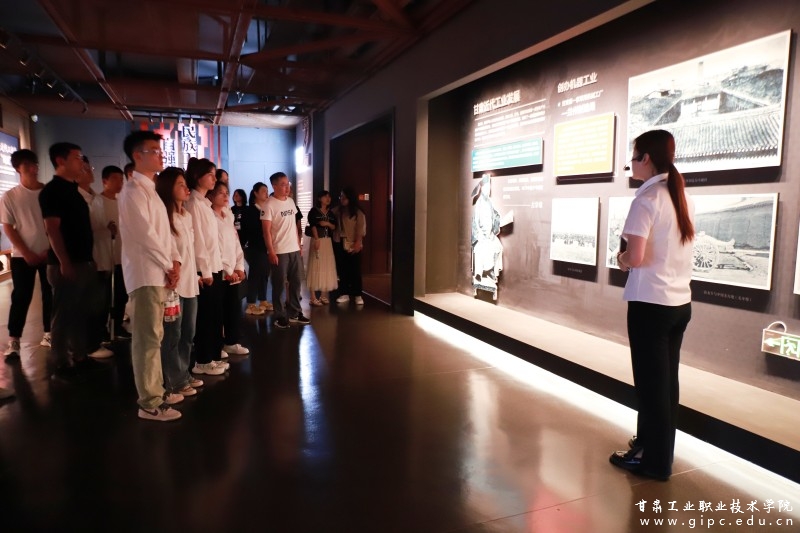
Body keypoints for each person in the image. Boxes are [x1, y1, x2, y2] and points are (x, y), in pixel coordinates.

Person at [609, 129, 695, 481]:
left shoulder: (646, 199)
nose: (630, 164)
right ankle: (651, 447)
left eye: (633, 157)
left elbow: (636, 257)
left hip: (650, 305)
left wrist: (621, 260)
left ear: (646, 158)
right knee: (666, 385)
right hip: (679, 304)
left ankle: (654, 462)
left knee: (650, 386)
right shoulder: (678, 196)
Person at [118, 131, 183, 421]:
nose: (160, 154)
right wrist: (169, 264)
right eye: (154, 150)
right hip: (146, 274)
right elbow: (145, 236)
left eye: (159, 149)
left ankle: (156, 390)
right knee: (147, 338)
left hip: (157, 272)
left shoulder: (150, 191)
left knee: (155, 335)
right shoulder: (132, 191)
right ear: (137, 156)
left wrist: (174, 262)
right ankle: (149, 402)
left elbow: (164, 233)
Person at [39, 142, 96, 381]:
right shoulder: (52, 191)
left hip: (81, 260)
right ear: (60, 161)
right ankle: (60, 363)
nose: (81, 162)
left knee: (78, 312)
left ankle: (80, 356)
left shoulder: (73, 190)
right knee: (63, 314)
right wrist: (64, 261)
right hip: (66, 263)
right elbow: (52, 229)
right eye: (77, 157)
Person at [156, 167, 204, 398]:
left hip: (190, 283)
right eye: (180, 184)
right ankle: (174, 380)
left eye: (186, 184)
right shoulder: (164, 217)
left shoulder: (186, 215)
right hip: (172, 285)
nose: (186, 189)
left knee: (188, 333)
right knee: (172, 335)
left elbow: (190, 252)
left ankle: (183, 372)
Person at [1, 149, 52, 357]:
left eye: (35, 164)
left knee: (50, 293)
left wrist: (51, 248)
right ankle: (14, 340)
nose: (33, 169)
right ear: (17, 169)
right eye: (27, 165)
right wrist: (26, 252)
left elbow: (56, 224)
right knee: (21, 296)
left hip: (50, 253)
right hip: (22, 256)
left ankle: (49, 333)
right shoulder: (11, 196)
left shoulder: (48, 193)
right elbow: (8, 227)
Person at [184, 158, 228, 375]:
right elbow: (198, 241)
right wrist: (206, 271)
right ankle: (202, 360)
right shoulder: (193, 203)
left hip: (214, 266)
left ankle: (212, 356)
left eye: (214, 174)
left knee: (214, 315)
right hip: (205, 269)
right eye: (210, 174)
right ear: (197, 176)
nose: (214, 178)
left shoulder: (204, 203)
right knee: (205, 317)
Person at [262, 172, 309, 328]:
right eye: (283, 184)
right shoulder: (269, 204)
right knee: (279, 285)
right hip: (279, 250)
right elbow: (266, 231)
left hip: (293, 249)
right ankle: (280, 315)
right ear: (274, 186)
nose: (287, 187)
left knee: (296, 282)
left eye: (287, 184)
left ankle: (295, 312)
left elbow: (294, 225)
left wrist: (298, 244)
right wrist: (271, 251)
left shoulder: (290, 201)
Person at [209, 180, 249, 356]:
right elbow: (214, 247)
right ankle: (217, 345)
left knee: (233, 308)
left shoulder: (228, 215)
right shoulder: (210, 217)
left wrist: (239, 267)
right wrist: (228, 271)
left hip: (233, 271)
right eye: (221, 192)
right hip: (219, 270)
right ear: (211, 195)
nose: (226, 196)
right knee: (217, 311)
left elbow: (235, 243)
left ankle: (231, 342)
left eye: (227, 192)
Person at [91, 166, 129, 341]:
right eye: (115, 179)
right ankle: (101, 330)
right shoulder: (97, 202)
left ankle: (117, 325)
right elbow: (95, 227)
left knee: (121, 294)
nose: (119, 183)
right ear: (105, 181)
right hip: (104, 256)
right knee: (104, 297)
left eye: (121, 179)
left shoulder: (122, 201)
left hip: (122, 255)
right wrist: (106, 229)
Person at [241, 183, 271, 315]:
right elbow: (249, 230)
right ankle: (251, 303)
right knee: (255, 274)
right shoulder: (250, 210)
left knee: (264, 273)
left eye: (267, 191)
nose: (266, 193)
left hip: (266, 246)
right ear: (255, 193)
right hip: (255, 246)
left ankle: (263, 299)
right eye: (263, 191)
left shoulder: (267, 208)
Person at [333, 187, 366, 306]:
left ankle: (357, 294)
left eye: (344, 197)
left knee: (355, 269)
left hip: (353, 242)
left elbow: (360, 229)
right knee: (342, 269)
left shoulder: (357, 212)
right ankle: (344, 293)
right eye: (341, 196)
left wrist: (358, 242)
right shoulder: (337, 210)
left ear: (350, 198)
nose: (342, 199)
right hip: (339, 241)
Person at [305, 190, 337, 306]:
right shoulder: (314, 211)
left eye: (329, 197)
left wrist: (327, 224)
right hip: (317, 239)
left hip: (327, 241)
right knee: (315, 265)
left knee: (326, 266)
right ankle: (313, 297)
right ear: (319, 198)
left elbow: (334, 226)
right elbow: (313, 225)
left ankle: (323, 295)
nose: (328, 199)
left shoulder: (331, 213)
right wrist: (317, 239)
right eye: (325, 197)